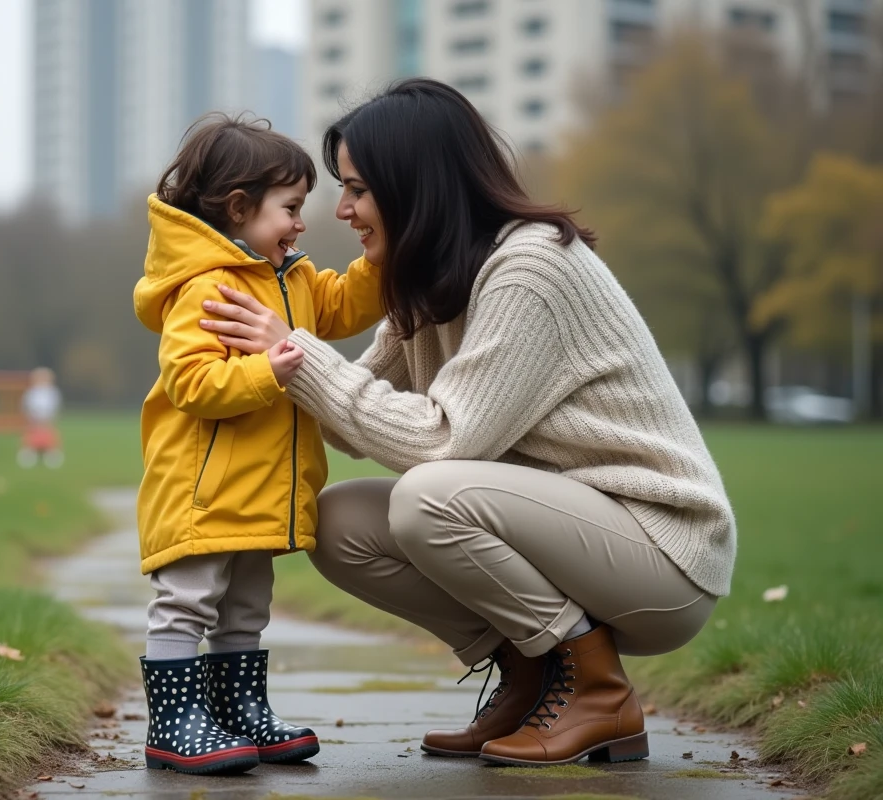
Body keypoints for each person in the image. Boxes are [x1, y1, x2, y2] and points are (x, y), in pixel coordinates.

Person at [197, 79, 736, 767]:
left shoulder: (530, 268)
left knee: (430, 498)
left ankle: (598, 692)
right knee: (334, 524)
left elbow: (442, 442)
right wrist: (267, 364)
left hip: (662, 549)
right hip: (572, 531)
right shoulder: (427, 282)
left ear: (413, 183)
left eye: (358, 188)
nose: (342, 210)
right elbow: (348, 414)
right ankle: (536, 676)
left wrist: (296, 352)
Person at [133, 113, 383, 775]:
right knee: (185, 605)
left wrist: (383, 261)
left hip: (260, 493)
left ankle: (240, 711)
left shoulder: (292, 278)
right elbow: (190, 382)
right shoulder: (204, 289)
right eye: (291, 208)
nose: (302, 223)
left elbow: (344, 304)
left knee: (246, 609)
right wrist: (264, 371)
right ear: (239, 209)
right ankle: (175, 722)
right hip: (203, 491)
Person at [18, 367, 63, 468]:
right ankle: (29, 455)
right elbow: (27, 405)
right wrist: (32, 417)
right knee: (30, 437)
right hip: (34, 420)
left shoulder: (53, 392)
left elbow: (55, 406)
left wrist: (50, 418)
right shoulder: (31, 392)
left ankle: (51, 455)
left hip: (47, 420)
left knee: (50, 437)